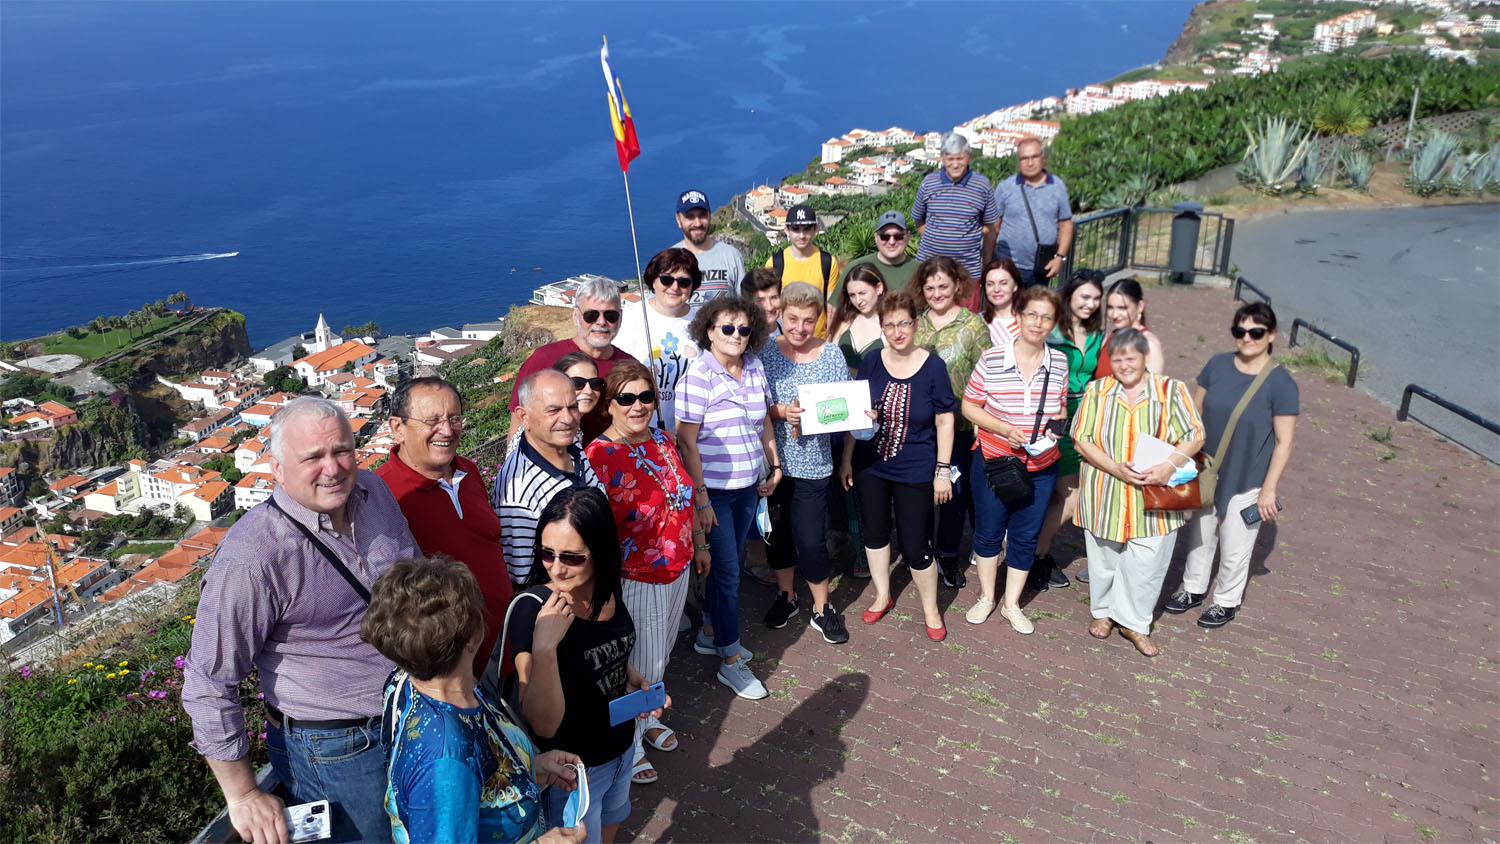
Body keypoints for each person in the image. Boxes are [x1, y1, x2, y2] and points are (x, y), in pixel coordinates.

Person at [183, 397, 422, 844]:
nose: (332, 468)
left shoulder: (374, 493)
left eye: (342, 450)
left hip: (413, 710)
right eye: (312, 457)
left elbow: (416, 581)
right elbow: (208, 680)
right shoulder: (253, 556)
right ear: (276, 467)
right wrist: (242, 794)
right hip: (337, 750)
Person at [483, 487, 667, 844]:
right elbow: (543, 725)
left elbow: (606, 648)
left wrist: (631, 681)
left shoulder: (607, 589)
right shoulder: (532, 610)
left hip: (621, 747)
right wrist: (546, 646)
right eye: (547, 554)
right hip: (572, 773)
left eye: (572, 557)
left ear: (600, 552)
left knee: (614, 822)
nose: (556, 568)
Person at [364, 556, 587, 844]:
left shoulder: (413, 678)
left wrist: (531, 765)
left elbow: (481, 769)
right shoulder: (447, 758)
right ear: (472, 637)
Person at [584, 360, 698, 787]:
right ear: (609, 405)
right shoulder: (599, 456)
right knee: (640, 662)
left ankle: (647, 720)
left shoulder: (663, 441)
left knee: (661, 656)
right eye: (626, 398)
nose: (638, 406)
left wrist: (698, 545)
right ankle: (627, 746)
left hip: (677, 566)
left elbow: (682, 498)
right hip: (636, 576)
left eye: (645, 396)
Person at [1071, 329, 1205, 657]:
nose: (1124, 366)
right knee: (1103, 557)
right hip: (1106, 491)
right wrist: (1115, 467)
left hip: (1155, 494)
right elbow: (1081, 438)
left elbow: (1195, 434)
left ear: (1145, 357)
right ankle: (1102, 611)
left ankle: (1134, 621)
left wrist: (1170, 465)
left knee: (1148, 562)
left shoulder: (1170, 390)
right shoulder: (1098, 390)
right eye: (1117, 360)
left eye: (1131, 358)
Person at [1167, 303, 1298, 629]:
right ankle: (1193, 588)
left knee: (1237, 544)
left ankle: (1225, 600)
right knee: (1199, 533)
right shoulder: (1218, 365)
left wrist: (1269, 489)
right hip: (1208, 468)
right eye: (1240, 331)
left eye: (1256, 332)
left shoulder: (1281, 383)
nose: (1247, 338)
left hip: (1248, 474)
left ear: (1271, 335)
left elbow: (1284, 442)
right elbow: (1195, 414)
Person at [675, 295, 780, 700]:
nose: (737, 336)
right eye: (727, 328)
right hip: (714, 492)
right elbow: (686, 440)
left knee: (727, 567)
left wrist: (774, 464)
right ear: (708, 331)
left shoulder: (754, 367)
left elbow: (763, 422)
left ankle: (708, 632)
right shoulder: (698, 375)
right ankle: (731, 661)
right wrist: (700, 498)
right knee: (730, 575)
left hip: (747, 489)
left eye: (744, 329)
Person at [839, 290, 956, 641]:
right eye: (889, 324)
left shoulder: (933, 365)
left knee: (916, 541)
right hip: (871, 464)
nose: (897, 330)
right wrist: (846, 459)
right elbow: (856, 412)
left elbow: (945, 421)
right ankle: (882, 594)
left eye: (904, 322)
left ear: (915, 323)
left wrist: (942, 470)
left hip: (916, 467)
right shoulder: (873, 360)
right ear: (881, 327)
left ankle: (931, 609)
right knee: (874, 533)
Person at [377, 377, 513, 677]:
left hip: (505, 651)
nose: (447, 430)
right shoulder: (382, 494)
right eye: (432, 421)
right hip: (450, 671)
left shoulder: (468, 470)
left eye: (454, 418)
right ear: (397, 427)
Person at [960, 286, 1069, 635]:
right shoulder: (993, 358)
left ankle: (1011, 604)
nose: (1038, 323)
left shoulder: (1060, 362)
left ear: (1054, 323)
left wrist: (1057, 429)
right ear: (1019, 316)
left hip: (1040, 465)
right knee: (989, 532)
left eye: (1046, 317)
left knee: (1025, 535)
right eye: (1032, 314)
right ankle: (987, 597)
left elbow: (1061, 407)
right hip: (996, 461)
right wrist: (1005, 428)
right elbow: (970, 405)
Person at [761, 282, 852, 644]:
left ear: (819, 320)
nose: (799, 328)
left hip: (814, 463)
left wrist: (855, 416)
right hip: (772, 463)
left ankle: (822, 606)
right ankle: (787, 595)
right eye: (792, 318)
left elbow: (842, 410)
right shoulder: (764, 351)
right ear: (780, 315)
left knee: (812, 540)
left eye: (808, 321)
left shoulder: (831, 356)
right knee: (777, 536)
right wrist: (781, 411)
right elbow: (750, 403)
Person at [912, 257, 988, 589]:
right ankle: (922, 551)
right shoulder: (917, 324)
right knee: (920, 493)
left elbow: (987, 377)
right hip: (921, 427)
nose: (937, 293)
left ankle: (947, 554)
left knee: (954, 494)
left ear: (957, 285)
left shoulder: (974, 326)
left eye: (943, 286)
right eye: (930, 287)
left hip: (960, 426)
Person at [1031, 270, 1106, 590]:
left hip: (1084, 419)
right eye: (1084, 296)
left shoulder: (1098, 336)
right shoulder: (1051, 332)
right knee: (1066, 498)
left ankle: (1036, 553)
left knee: (1064, 497)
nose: (1090, 304)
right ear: (1070, 296)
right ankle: (1035, 555)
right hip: (1054, 419)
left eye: (1096, 298)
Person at [493, 370, 603, 585]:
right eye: (553, 410)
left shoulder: (570, 445)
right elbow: (524, 575)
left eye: (572, 407)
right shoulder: (519, 491)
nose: (568, 418)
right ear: (523, 416)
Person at [511, 276, 628, 442]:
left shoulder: (627, 366)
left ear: (620, 318)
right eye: (591, 315)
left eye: (611, 315)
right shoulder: (543, 359)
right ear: (575, 316)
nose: (601, 322)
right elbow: (518, 425)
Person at [613, 248, 702, 432]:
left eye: (684, 282)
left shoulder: (703, 322)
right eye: (666, 279)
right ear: (654, 280)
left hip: (691, 435)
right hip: (639, 433)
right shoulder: (630, 318)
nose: (675, 287)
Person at [911, 133, 1000, 286]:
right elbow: (919, 220)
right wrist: (935, 238)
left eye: (960, 158)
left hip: (967, 271)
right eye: (950, 159)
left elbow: (993, 228)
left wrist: (986, 264)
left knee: (966, 311)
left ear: (969, 157)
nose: (955, 164)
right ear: (942, 158)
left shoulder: (982, 185)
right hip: (930, 269)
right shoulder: (929, 183)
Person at [992, 137, 1073, 287]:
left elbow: (1066, 225)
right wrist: (989, 261)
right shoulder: (1006, 187)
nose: (1030, 163)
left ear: (1043, 158)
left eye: (1034, 157)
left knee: (1035, 309)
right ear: (1019, 162)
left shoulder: (1057, 186)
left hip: (1041, 266)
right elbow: (994, 226)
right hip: (1008, 265)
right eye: (1024, 159)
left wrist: (1059, 258)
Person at [764, 205, 840, 338]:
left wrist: (830, 339)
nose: (802, 235)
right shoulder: (775, 263)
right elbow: (769, 305)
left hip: (817, 340)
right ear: (787, 230)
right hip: (784, 341)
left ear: (815, 229)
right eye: (796, 229)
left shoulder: (827, 262)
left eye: (806, 229)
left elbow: (832, 306)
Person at [672, 188, 745, 306]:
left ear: (710, 216)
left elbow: (744, 304)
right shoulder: (669, 259)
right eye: (690, 217)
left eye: (702, 216)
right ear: (678, 220)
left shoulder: (731, 256)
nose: (697, 223)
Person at [834, 210, 918, 297]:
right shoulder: (855, 268)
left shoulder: (920, 271)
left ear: (908, 236)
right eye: (884, 237)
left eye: (898, 236)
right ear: (876, 237)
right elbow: (834, 308)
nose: (892, 242)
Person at [1095, 278, 1165, 378]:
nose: (1114, 314)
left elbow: (1153, 388)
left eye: (1122, 308)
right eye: (1110, 307)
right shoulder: (1111, 337)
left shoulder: (1149, 344)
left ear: (1140, 306)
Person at [827, 263, 887, 371]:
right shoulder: (844, 322)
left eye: (862, 293)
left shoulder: (891, 325)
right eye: (852, 295)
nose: (858, 301)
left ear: (879, 288)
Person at [554, 352, 604, 445]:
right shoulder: (552, 430)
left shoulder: (574, 429)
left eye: (595, 383)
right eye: (577, 383)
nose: (589, 391)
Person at [980, 258, 1023, 351]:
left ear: (1015, 286)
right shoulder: (977, 322)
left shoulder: (1028, 321)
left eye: (1003, 283)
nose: (996, 289)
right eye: (990, 284)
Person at [740, 267, 783, 335]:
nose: (769, 307)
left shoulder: (792, 333)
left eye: (774, 298)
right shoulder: (739, 338)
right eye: (760, 300)